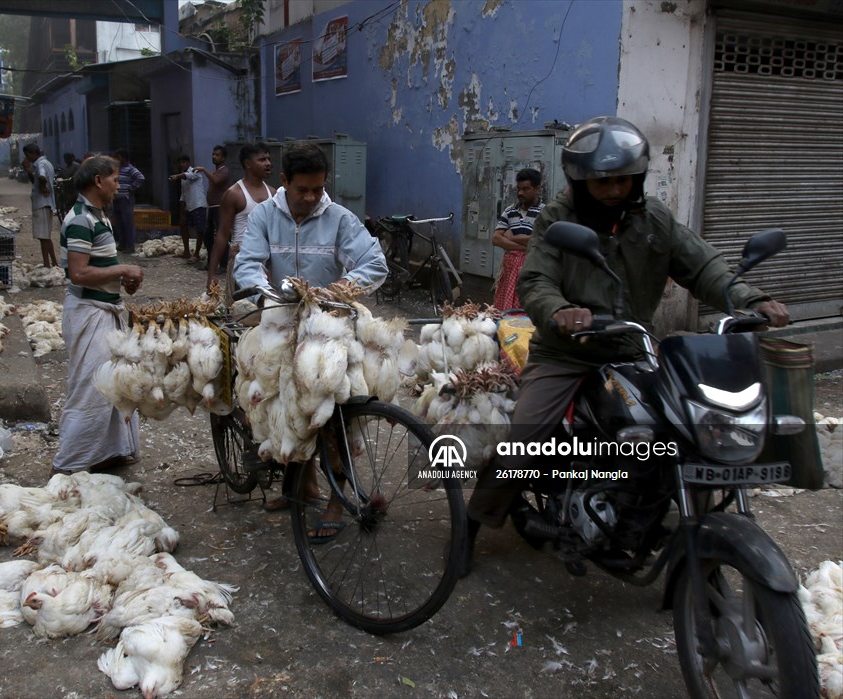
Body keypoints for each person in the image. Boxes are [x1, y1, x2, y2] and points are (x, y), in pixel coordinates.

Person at [462, 116, 790, 576]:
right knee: (526, 442)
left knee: (688, 430)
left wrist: (750, 299)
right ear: (580, 180)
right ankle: (473, 524)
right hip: (567, 351)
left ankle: (655, 522)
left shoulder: (653, 220)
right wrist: (559, 312)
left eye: (621, 179)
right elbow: (536, 280)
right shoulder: (558, 219)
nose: (613, 190)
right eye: (601, 181)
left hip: (634, 349)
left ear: (636, 178)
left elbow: (704, 266)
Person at [234, 142, 388, 537]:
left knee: (332, 414)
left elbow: (375, 263)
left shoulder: (338, 218)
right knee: (285, 407)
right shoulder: (264, 216)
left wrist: (342, 287)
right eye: (302, 189)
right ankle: (301, 489)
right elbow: (248, 264)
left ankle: (337, 503)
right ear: (283, 181)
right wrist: (266, 296)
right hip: (283, 320)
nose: (310, 197)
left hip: (329, 327)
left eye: (318, 189)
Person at [52, 155, 145, 475]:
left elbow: (100, 267)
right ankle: (69, 464)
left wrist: (123, 281)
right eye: (115, 180)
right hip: (88, 312)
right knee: (92, 389)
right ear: (98, 181)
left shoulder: (99, 217)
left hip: (104, 309)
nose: (118, 186)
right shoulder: (80, 219)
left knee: (113, 384)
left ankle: (110, 451)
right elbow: (78, 273)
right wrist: (122, 268)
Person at [206, 143, 274, 301]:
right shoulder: (234, 194)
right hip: (242, 262)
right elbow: (222, 234)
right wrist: (212, 273)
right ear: (248, 164)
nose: (268, 163)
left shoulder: (273, 193)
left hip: (267, 263)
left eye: (269, 159)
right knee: (243, 312)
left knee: (269, 310)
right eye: (262, 159)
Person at [492, 168, 542, 311]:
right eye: (518, 189)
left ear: (537, 189)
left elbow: (540, 242)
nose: (520, 193)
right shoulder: (510, 211)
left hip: (531, 270)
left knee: (527, 311)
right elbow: (496, 239)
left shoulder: (545, 212)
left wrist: (512, 237)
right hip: (508, 272)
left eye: (526, 189)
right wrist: (526, 244)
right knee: (504, 311)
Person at [195, 145, 231, 270]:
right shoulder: (215, 171)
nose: (214, 157)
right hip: (212, 208)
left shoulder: (224, 171)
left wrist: (204, 170)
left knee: (222, 236)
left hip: (220, 208)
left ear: (223, 158)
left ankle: (224, 264)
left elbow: (216, 181)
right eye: (213, 154)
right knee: (208, 236)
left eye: (217, 155)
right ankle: (211, 263)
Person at [22, 143, 58, 268]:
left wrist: (43, 187)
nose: (27, 158)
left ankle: (48, 264)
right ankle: (52, 262)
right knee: (45, 236)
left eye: (27, 155)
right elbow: (36, 181)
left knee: (43, 237)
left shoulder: (40, 164)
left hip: (41, 204)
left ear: (33, 153)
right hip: (46, 203)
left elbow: (42, 177)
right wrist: (28, 171)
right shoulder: (46, 163)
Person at [169, 155, 207, 260]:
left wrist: (176, 176)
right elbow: (183, 195)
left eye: (184, 162)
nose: (182, 165)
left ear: (188, 163)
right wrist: (181, 213)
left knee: (200, 230)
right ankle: (186, 251)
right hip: (189, 207)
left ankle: (197, 254)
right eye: (180, 163)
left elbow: (187, 175)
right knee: (183, 226)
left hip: (198, 205)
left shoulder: (195, 172)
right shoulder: (183, 178)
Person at [112, 150, 145, 254]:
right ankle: (122, 244)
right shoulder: (117, 169)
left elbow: (140, 177)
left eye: (118, 157)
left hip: (125, 199)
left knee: (127, 223)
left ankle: (130, 246)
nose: (116, 159)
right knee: (119, 223)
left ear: (123, 158)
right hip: (116, 198)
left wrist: (132, 188)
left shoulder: (130, 169)